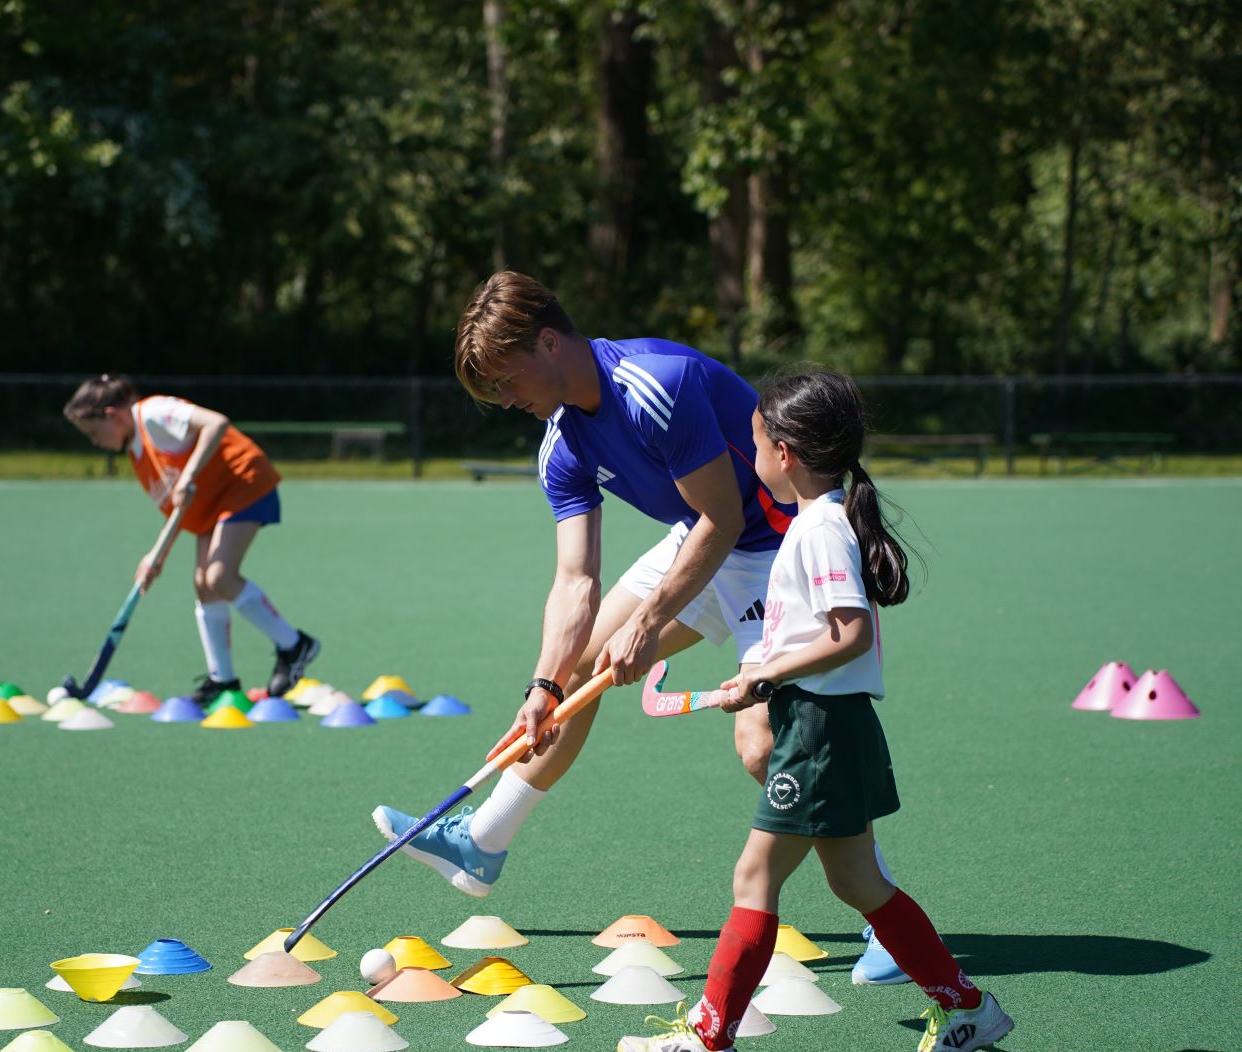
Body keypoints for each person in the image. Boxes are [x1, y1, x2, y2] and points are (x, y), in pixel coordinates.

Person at [616, 369, 1013, 1052]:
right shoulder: (815, 524)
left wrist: (770, 673)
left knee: (754, 876)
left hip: (820, 731)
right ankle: (966, 1008)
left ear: (785, 453)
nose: (750, 459)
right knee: (858, 880)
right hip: (825, 722)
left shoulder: (821, 529)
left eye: (754, 445)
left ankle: (709, 1041)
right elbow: (813, 635)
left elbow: (850, 632)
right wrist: (759, 677)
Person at [372, 271, 800, 894]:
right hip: (701, 535)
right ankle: (482, 842)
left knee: (762, 748)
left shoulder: (656, 386)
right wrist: (542, 686)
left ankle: (883, 904)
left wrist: (647, 623)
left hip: (780, 546)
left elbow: (725, 518)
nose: (506, 400)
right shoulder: (560, 446)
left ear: (549, 343)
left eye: (507, 379)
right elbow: (575, 580)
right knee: (576, 668)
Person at [63, 375, 319, 703]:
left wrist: (188, 474)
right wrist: (156, 556)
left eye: (94, 432)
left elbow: (216, 423)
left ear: (113, 415)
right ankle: (222, 680)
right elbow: (177, 509)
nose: (95, 441)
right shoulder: (137, 453)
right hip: (211, 501)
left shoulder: (153, 413)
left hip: (241, 480)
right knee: (203, 583)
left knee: (219, 576)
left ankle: (295, 645)